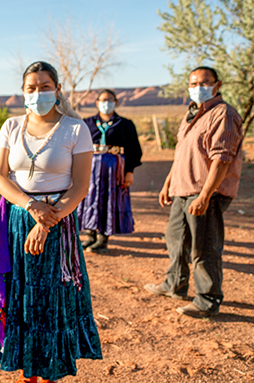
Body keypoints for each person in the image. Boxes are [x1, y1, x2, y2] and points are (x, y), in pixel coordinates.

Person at [0, 61, 102, 383]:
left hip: (58, 222)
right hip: (17, 221)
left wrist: (46, 221)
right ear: (24, 92)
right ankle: (28, 375)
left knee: (51, 300)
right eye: (31, 88)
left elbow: (80, 186)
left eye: (45, 86)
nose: (38, 93)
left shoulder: (75, 129)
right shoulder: (11, 126)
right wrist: (32, 208)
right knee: (19, 296)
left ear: (58, 89)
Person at [145, 66, 243, 318]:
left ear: (217, 85)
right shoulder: (191, 114)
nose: (198, 88)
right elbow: (182, 155)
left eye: (204, 83)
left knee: (204, 248)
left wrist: (205, 195)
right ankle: (174, 284)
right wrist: (169, 182)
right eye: (193, 83)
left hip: (204, 192)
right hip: (182, 189)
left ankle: (207, 299)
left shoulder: (223, 114)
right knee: (175, 239)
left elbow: (221, 159)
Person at [76, 89, 143, 253]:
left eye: (110, 100)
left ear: (116, 103)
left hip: (114, 170)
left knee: (109, 200)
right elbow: (77, 146)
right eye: (103, 100)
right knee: (89, 198)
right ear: (97, 103)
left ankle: (103, 238)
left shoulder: (125, 124)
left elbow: (134, 150)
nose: (106, 103)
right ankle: (90, 235)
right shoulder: (87, 123)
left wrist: (129, 171)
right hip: (90, 168)